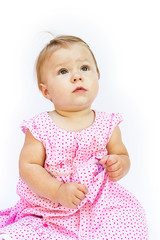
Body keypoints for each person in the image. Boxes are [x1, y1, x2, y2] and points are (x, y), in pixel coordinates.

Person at [0, 35, 149, 239]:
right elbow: (28, 168)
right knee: (25, 232)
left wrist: (119, 163)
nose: (77, 76)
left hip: (100, 204)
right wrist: (58, 190)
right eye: (63, 71)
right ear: (46, 91)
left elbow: (121, 153)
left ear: (98, 75)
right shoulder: (40, 127)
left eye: (85, 68)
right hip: (50, 209)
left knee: (131, 217)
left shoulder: (108, 124)